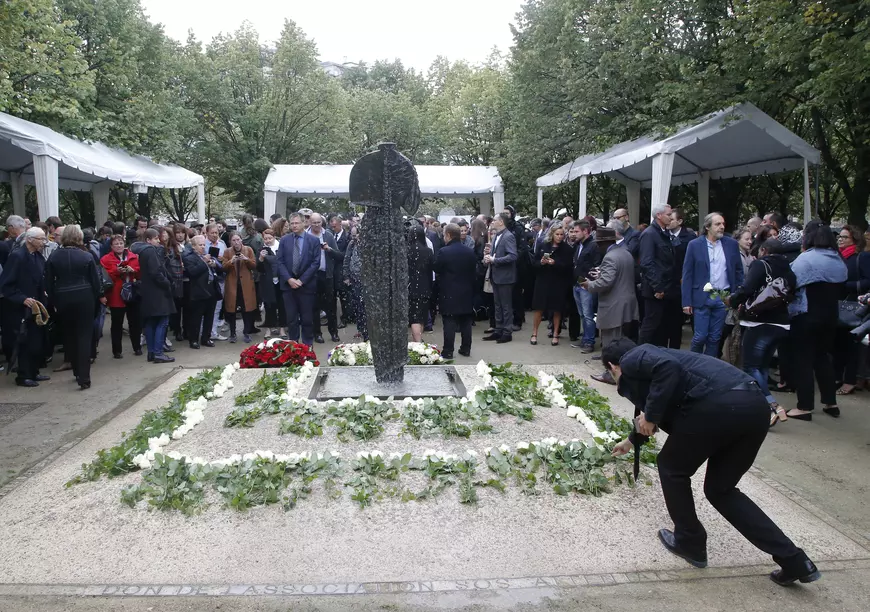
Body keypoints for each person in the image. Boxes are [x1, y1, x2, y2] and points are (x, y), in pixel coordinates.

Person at [605, 339, 822, 587]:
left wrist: (652, 416)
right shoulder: (660, 363)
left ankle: (690, 541)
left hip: (719, 406)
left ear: (613, 366)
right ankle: (794, 560)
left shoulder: (634, 357)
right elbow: (661, 400)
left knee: (671, 467)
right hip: (754, 407)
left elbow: (667, 371)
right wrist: (631, 441)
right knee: (721, 490)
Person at [727, 238, 796, 426]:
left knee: (751, 367)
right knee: (762, 367)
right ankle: (759, 409)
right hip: (781, 324)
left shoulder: (760, 265)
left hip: (760, 323)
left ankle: (772, 407)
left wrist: (732, 300)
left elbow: (747, 289)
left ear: (764, 250)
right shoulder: (788, 269)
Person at [786, 220, 847, 420]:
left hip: (806, 315)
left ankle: (804, 407)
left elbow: (791, 282)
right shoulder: (838, 259)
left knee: (803, 360)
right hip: (830, 316)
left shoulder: (806, 259)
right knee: (823, 358)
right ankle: (830, 403)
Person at [45, 225, 102, 389]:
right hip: (84, 296)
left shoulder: (54, 256)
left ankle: (76, 370)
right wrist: (97, 298)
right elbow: (96, 282)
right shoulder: (86, 256)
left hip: (63, 297)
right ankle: (84, 376)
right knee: (84, 336)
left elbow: (48, 283)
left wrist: (54, 300)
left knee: (69, 335)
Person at [681, 213, 744, 356]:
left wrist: (738, 295)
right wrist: (686, 301)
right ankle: (693, 363)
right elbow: (687, 274)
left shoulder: (731, 244)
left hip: (723, 297)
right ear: (707, 227)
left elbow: (738, 271)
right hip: (701, 296)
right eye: (717, 224)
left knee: (715, 338)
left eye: (723, 224)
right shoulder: (695, 245)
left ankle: (709, 366)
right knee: (700, 337)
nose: (722, 227)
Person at [585, 223, 638, 385]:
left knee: (611, 343)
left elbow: (606, 282)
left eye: (598, 243)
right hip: (627, 303)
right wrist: (602, 274)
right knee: (622, 341)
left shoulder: (610, 257)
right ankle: (623, 372)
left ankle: (610, 375)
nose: (597, 246)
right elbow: (620, 275)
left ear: (604, 242)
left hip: (614, 305)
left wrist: (589, 285)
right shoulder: (625, 252)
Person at [0, 228, 49, 387]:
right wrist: (22, 298)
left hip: (37, 305)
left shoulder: (37, 256)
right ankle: (24, 375)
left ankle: (34, 371)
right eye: (41, 239)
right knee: (25, 341)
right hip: (21, 308)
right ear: (30, 239)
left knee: (36, 340)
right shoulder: (17, 257)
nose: (44, 242)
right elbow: (6, 285)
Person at [638, 204, 681, 348]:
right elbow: (647, 263)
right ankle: (639, 354)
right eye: (668, 214)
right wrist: (658, 287)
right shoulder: (650, 234)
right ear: (659, 216)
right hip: (655, 290)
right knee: (650, 325)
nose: (671, 217)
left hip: (668, 288)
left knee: (662, 327)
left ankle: (658, 353)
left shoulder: (665, 233)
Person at [131, 228, 175, 364]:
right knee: (162, 321)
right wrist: (166, 282)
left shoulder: (142, 251)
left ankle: (151, 352)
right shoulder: (150, 251)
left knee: (151, 322)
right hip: (157, 292)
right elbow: (156, 272)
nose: (158, 241)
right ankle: (158, 352)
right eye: (156, 238)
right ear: (148, 240)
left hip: (147, 291)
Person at [433, 223, 477, 359]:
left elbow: (437, 268)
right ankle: (466, 348)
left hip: (449, 291)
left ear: (448, 235)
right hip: (467, 290)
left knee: (449, 321)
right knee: (466, 321)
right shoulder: (469, 252)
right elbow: (473, 271)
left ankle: (448, 350)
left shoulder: (444, 252)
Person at [277, 213, 321, 347]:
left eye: (297, 223)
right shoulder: (284, 240)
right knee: (291, 319)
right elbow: (279, 262)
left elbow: (315, 263)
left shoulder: (313, 241)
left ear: (303, 223)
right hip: (288, 286)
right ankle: (294, 346)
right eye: (292, 223)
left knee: (307, 319)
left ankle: (307, 347)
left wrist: (301, 281)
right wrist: (289, 279)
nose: (294, 226)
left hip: (306, 286)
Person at [529, 222, 573, 346]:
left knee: (557, 309)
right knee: (539, 308)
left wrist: (555, 263)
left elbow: (568, 267)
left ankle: (555, 334)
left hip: (558, 282)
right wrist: (542, 263)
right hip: (543, 281)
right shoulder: (543, 246)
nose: (559, 237)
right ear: (552, 234)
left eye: (562, 234)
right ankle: (534, 333)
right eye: (557, 234)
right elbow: (534, 263)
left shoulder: (567, 249)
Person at [101, 234, 142, 359]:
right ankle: (117, 351)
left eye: (121, 243)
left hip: (132, 292)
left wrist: (133, 270)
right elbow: (104, 277)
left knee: (134, 322)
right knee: (117, 323)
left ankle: (137, 347)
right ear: (111, 246)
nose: (119, 246)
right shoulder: (105, 259)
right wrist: (116, 271)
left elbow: (140, 273)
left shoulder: (133, 256)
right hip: (116, 294)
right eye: (116, 244)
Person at [307, 213, 343, 343]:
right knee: (314, 306)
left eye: (318, 222)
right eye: (314, 222)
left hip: (326, 275)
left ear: (322, 222)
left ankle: (334, 332)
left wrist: (329, 249)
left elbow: (339, 255)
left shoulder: (328, 235)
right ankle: (317, 333)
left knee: (331, 305)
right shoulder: (306, 236)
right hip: (311, 275)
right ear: (310, 223)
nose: (316, 225)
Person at [483, 213, 517, 344]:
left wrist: (494, 260)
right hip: (496, 276)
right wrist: (488, 258)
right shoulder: (497, 235)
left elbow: (513, 256)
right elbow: (495, 255)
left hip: (505, 277)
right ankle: (498, 330)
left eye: (494, 220)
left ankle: (507, 332)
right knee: (498, 305)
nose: (492, 222)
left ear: (501, 222)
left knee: (506, 306)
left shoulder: (508, 236)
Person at [182, 235, 220, 349]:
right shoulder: (189, 258)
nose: (203, 247)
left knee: (209, 316)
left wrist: (213, 264)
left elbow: (218, 268)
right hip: (198, 291)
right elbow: (192, 272)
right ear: (193, 246)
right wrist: (204, 262)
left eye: (204, 244)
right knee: (196, 317)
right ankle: (193, 340)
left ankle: (206, 338)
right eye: (200, 245)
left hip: (211, 289)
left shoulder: (206, 255)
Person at [569, 220, 601, 352]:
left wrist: (589, 281)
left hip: (586, 285)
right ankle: (585, 339)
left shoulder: (593, 246)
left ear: (585, 231)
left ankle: (589, 342)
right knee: (582, 314)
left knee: (588, 315)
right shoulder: (579, 245)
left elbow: (597, 266)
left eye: (577, 231)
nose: (574, 234)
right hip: (577, 283)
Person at [221, 232, 258, 344]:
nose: (236, 242)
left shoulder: (248, 250)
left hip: (246, 285)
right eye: (234, 240)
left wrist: (246, 259)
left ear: (241, 240)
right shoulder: (227, 251)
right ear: (230, 242)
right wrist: (230, 261)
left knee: (246, 309)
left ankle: (246, 332)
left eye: (238, 240)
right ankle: (232, 333)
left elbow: (254, 265)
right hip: (232, 285)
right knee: (231, 310)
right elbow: (223, 268)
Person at [407, 225, 433, 342]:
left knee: (414, 317)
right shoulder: (428, 251)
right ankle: (419, 340)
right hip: (425, 287)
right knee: (421, 316)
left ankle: (417, 342)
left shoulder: (406, 251)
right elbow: (430, 271)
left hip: (410, 287)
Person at [258, 229, 285, 338]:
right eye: (266, 239)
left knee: (282, 305)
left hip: (281, 280)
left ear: (274, 237)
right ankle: (268, 329)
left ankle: (282, 329)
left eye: (270, 238)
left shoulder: (281, 247)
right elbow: (258, 268)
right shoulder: (261, 249)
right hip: (267, 281)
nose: (268, 241)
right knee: (269, 305)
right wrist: (261, 258)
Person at [160, 226, 185, 344]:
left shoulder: (176, 248)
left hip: (178, 280)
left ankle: (178, 330)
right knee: (171, 309)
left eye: (166, 234)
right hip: (167, 281)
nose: (164, 236)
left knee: (178, 307)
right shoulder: (160, 249)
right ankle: (174, 330)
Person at [342, 225, 367, 340]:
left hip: (367, 280)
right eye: (352, 235)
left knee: (365, 306)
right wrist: (346, 276)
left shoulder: (368, 244)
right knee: (358, 305)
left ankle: (366, 330)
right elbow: (347, 259)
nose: (354, 237)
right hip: (355, 279)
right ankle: (360, 329)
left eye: (356, 234)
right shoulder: (352, 244)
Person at [204, 224, 228, 341]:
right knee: (205, 308)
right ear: (207, 233)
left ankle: (213, 332)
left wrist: (221, 260)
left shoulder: (222, 245)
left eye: (216, 233)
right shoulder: (203, 244)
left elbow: (226, 261)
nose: (214, 235)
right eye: (212, 233)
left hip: (219, 279)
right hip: (206, 280)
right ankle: (203, 332)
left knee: (217, 307)